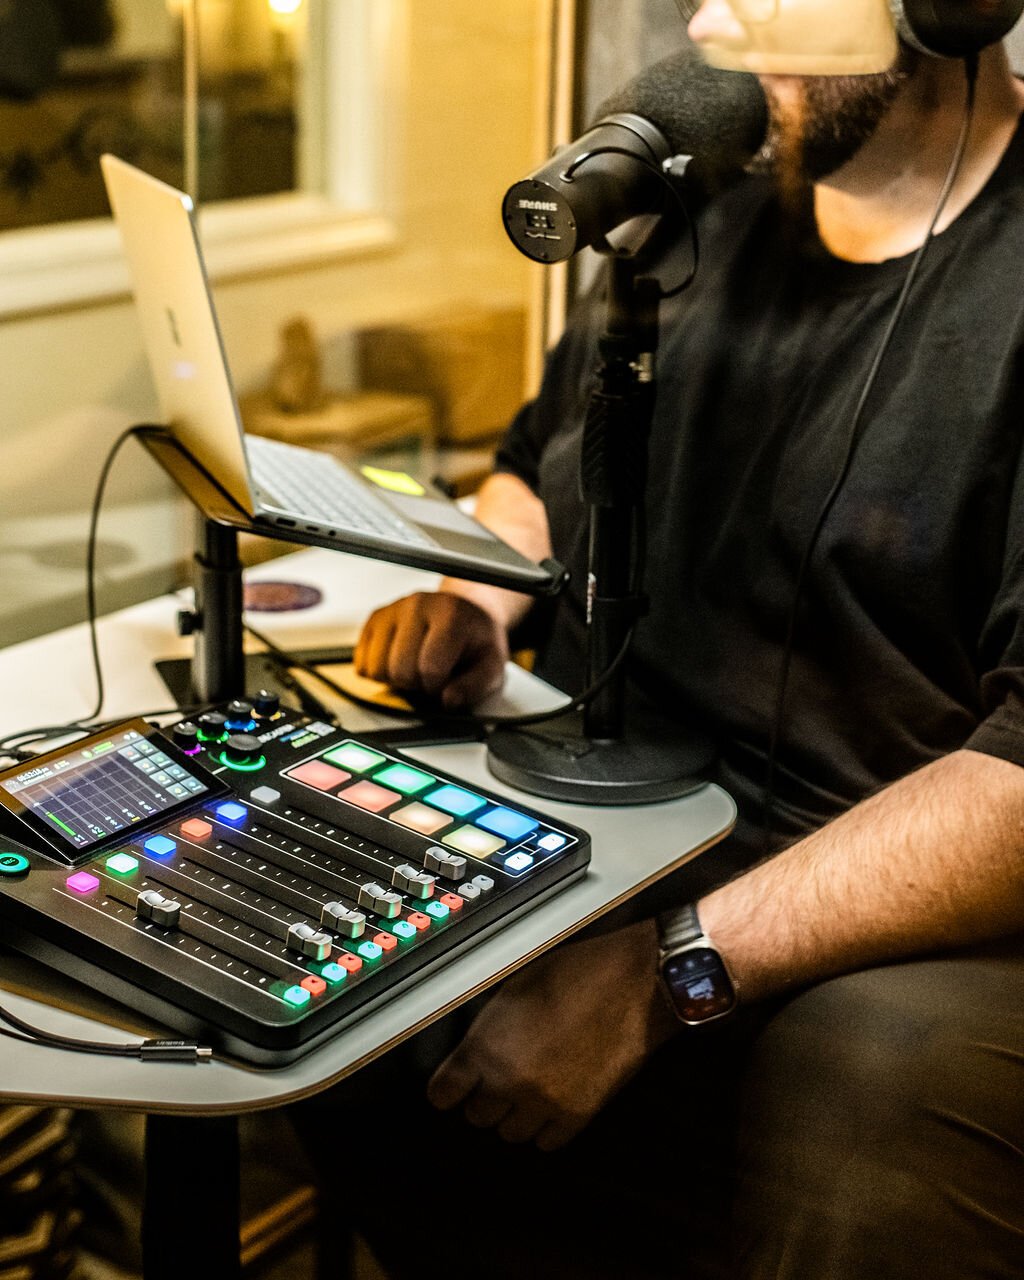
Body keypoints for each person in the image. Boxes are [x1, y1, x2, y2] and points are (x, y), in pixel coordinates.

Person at [296, 3, 1024, 1276]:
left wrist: (665, 970)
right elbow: (537, 463)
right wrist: (484, 594)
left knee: (869, 1076)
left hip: (882, 897)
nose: (707, 22)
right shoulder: (700, 208)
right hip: (627, 808)